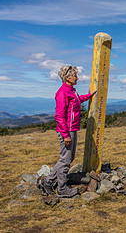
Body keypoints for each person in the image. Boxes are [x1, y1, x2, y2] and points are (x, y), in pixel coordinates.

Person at [38, 65, 96, 198]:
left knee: (67, 158)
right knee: (66, 159)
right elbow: (59, 116)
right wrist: (65, 135)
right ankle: (62, 189)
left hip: (72, 129)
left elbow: (77, 101)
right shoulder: (63, 92)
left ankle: (48, 182)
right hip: (67, 131)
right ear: (67, 77)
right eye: (75, 75)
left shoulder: (72, 91)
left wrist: (89, 95)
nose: (77, 77)